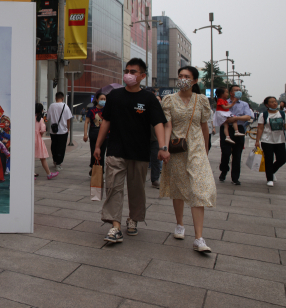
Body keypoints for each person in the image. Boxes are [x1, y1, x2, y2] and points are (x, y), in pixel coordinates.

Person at [94, 58, 169, 243]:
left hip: (139, 152)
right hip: (115, 150)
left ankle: (133, 219)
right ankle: (115, 226)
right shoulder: (114, 96)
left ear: (143, 76)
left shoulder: (149, 98)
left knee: (137, 190)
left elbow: (159, 123)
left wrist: (163, 147)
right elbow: (106, 121)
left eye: (133, 71)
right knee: (114, 188)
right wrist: (97, 145)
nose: (129, 74)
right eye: (127, 70)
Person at [161, 66, 216, 252]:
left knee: (198, 189)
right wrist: (165, 148)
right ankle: (179, 224)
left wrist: (206, 152)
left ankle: (199, 238)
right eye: (180, 76)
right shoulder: (168, 100)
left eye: (187, 76)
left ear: (194, 81)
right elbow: (167, 126)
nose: (182, 79)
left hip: (198, 150)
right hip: (177, 149)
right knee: (178, 186)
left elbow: (205, 128)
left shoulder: (201, 100)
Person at [218, 84, 253, 185]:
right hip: (226, 129)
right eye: (236, 90)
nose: (239, 91)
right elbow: (220, 114)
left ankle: (235, 177)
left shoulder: (244, 104)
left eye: (239, 90)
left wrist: (235, 118)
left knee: (237, 154)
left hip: (239, 129)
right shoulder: (224, 102)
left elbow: (248, 117)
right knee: (226, 152)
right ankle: (224, 170)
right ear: (231, 93)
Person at [255, 96, 286, 187]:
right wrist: (257, 141)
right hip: (267, 140)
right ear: (267, 105)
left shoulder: (282, 114)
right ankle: (269, 179)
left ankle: (271, 171)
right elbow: (260, 128)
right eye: (272, 102)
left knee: (282, 159)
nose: (275, 103)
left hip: (280, 140)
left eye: (275, 101)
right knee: (268, 159)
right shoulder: (263, 114)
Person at [47, 92, 73, 171]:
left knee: (54, 146)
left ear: (55, 98)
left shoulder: (51, 106)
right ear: (63, 98)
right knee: (61, 147)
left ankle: (55, 160)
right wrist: (68, 128)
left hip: (53, 131)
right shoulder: (66, 106)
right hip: (63, 131)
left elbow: (48, 117)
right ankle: (59, 163)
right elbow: (68, 119)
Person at [84, 93, 107, 177]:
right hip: (94, 133)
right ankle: (93, 167)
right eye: (101, 99)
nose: (103, 101)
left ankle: (100, 173)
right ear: (97, 100)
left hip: (105, 134)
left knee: (102, 154)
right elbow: (86, 122)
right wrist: (85, 134)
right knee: (94, 153)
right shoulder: (92, 110)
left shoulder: (107, 110)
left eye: (104, 99)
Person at [35, 103, 59, 180]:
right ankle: (49, 174)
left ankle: (31, 174)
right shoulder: (41, 119)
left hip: (31, 139)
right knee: (42, 157)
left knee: (30, 157)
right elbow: (42, 130)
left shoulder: (31, 118)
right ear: (41, 110)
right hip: (38, 139)